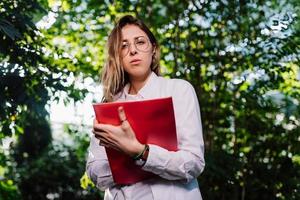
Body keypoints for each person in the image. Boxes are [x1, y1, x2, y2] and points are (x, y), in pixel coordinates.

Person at [86, 15, 205, 200]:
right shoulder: (109, 107)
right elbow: (96, 173)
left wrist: (140, 152)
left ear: (153, 49)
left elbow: (193, 163)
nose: (133, 50)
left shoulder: (179, 90)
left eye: (140, 42)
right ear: (117, 56)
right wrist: (129, 155)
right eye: (123, 46)